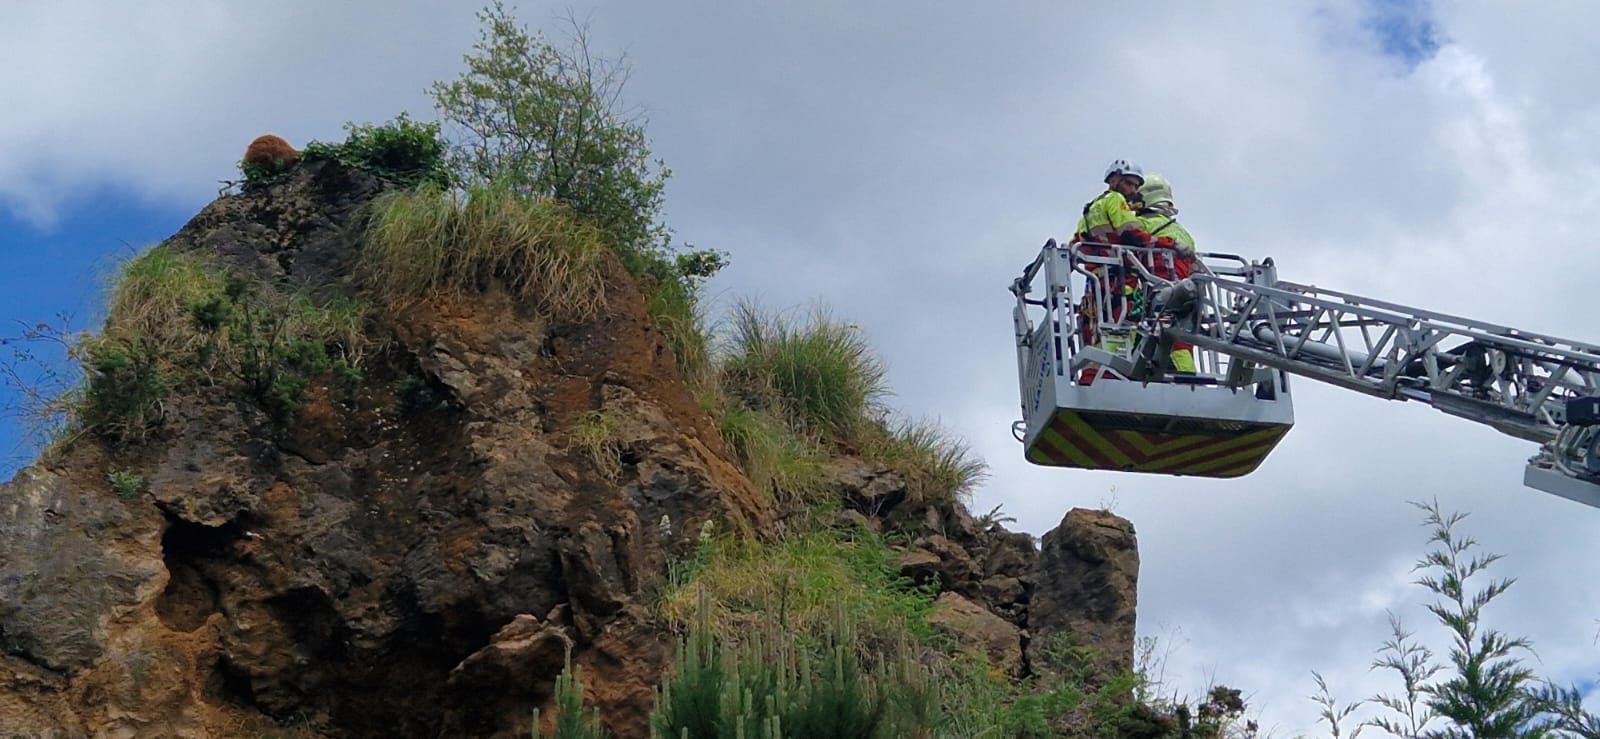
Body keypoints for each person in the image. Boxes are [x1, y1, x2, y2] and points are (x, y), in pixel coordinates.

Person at [1074, 160, 1153, 384]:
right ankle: (1111, 377)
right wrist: (1165, 243)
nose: (1132, 191)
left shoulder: (1089, 211)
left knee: (1099, 331)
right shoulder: (1116, 200)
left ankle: (1092, 377)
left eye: (1136, 186)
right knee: (1124, 326)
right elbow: (1132, 234)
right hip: (1119, 280)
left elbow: (1075, 244)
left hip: (1096, 284)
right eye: (1128, 183)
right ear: (1113, 180)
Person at [1134, 174, 1198, 374]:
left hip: (1155, 296)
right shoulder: (1183, 232)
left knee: (1155, 339)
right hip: (1187, 298)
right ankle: (1188, 379)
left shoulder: (1142, 226)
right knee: (1182, 341)